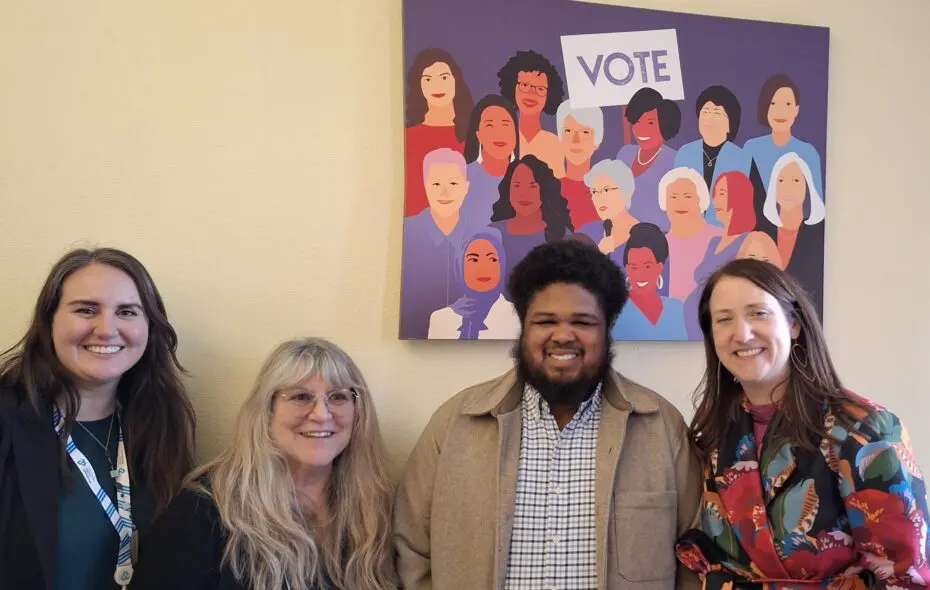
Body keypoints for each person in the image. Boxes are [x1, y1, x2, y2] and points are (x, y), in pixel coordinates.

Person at [394, 239, 702, 590]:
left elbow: (695, 555)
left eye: (583, 322)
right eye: (545, 321)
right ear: (523, 328)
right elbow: (411, 549)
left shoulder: (661, 427)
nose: (563, 335)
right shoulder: (455, 425)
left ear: (607, 331)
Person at [676, 259, 930, 589]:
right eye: (724, 319)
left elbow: (906, 576)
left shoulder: (864, 430)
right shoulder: (711, 433)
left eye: (758, 313)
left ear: (793, 323)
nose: (742, 333)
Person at [0, 247, 196, 590]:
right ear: (49, 321)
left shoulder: (160, 423)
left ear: (149, 325)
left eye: (127, 311)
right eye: (86, 310)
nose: (106, 329)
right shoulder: (6, 421)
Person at [131, 337, 396, 590]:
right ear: (266, 410)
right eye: (301, 397)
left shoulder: (371, 509)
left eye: (338, 397)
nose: (321, 415)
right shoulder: (205, 511)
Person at [399, 147, 475, 339]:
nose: (445, 191)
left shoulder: (480, 235)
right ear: (424, 186)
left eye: (453, 183)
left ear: (466, 187)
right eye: (436, 183)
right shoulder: (410, 232)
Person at [404, 48, 474, 217]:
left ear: (455, 80)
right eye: (427, 79)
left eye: (444, 77)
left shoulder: (474, 133)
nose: (437, 86)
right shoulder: (408, 137)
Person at [489, 155, 573, 296]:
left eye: (532, 185)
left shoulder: (561, 235)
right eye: (517, 185)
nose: (524, 193)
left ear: (544, 189)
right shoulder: (492, 234)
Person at [674, 85, 751, 227]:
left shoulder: (741, 158)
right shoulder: (684, 154)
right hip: (689, 233)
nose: (709, 118)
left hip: (728, 234)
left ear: (730, 124)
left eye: (716, 113)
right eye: (705, 112)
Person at [428, 227, 520, 340]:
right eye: (474, 260)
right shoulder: (440, 318)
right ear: (460, 266)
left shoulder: (517, 316)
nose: (483, 268)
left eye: (492, 260)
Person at [617, 87, 682, 231]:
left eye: (651, 123)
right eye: (637, 122)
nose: (641, 130)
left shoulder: (675, 160)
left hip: (660, 238)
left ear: (664, 124)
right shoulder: (625, 154)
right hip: (623, 235)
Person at [497, 50, 566, 177]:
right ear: (513, 87)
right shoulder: (501, 138)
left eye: (540, 89)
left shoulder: (554, 144)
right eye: (524, 85)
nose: (531, 94)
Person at [613, 223, 687, 341]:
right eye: (634, 267)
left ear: (660, 267)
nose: (640, 275)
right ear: (626, 268)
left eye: (647, 266)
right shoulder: (616, 309)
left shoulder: (676, 308)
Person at [462, 94, 520, 227]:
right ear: (478, 134)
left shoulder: (528, 177)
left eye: (505, 125)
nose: (499, 133)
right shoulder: (462, 178)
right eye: (490, 125)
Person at [578, 158, 638, 268]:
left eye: (606, 190)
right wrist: (599, 253)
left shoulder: (645, 236)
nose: (599, 198)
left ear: (626, 191)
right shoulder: (586, 233)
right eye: (594, 192)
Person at [556, 99, 604, 228]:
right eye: (568, 131)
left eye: (585, 132)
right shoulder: (550, 189)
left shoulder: (606, 190)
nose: (575, 140)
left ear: (597, 141)